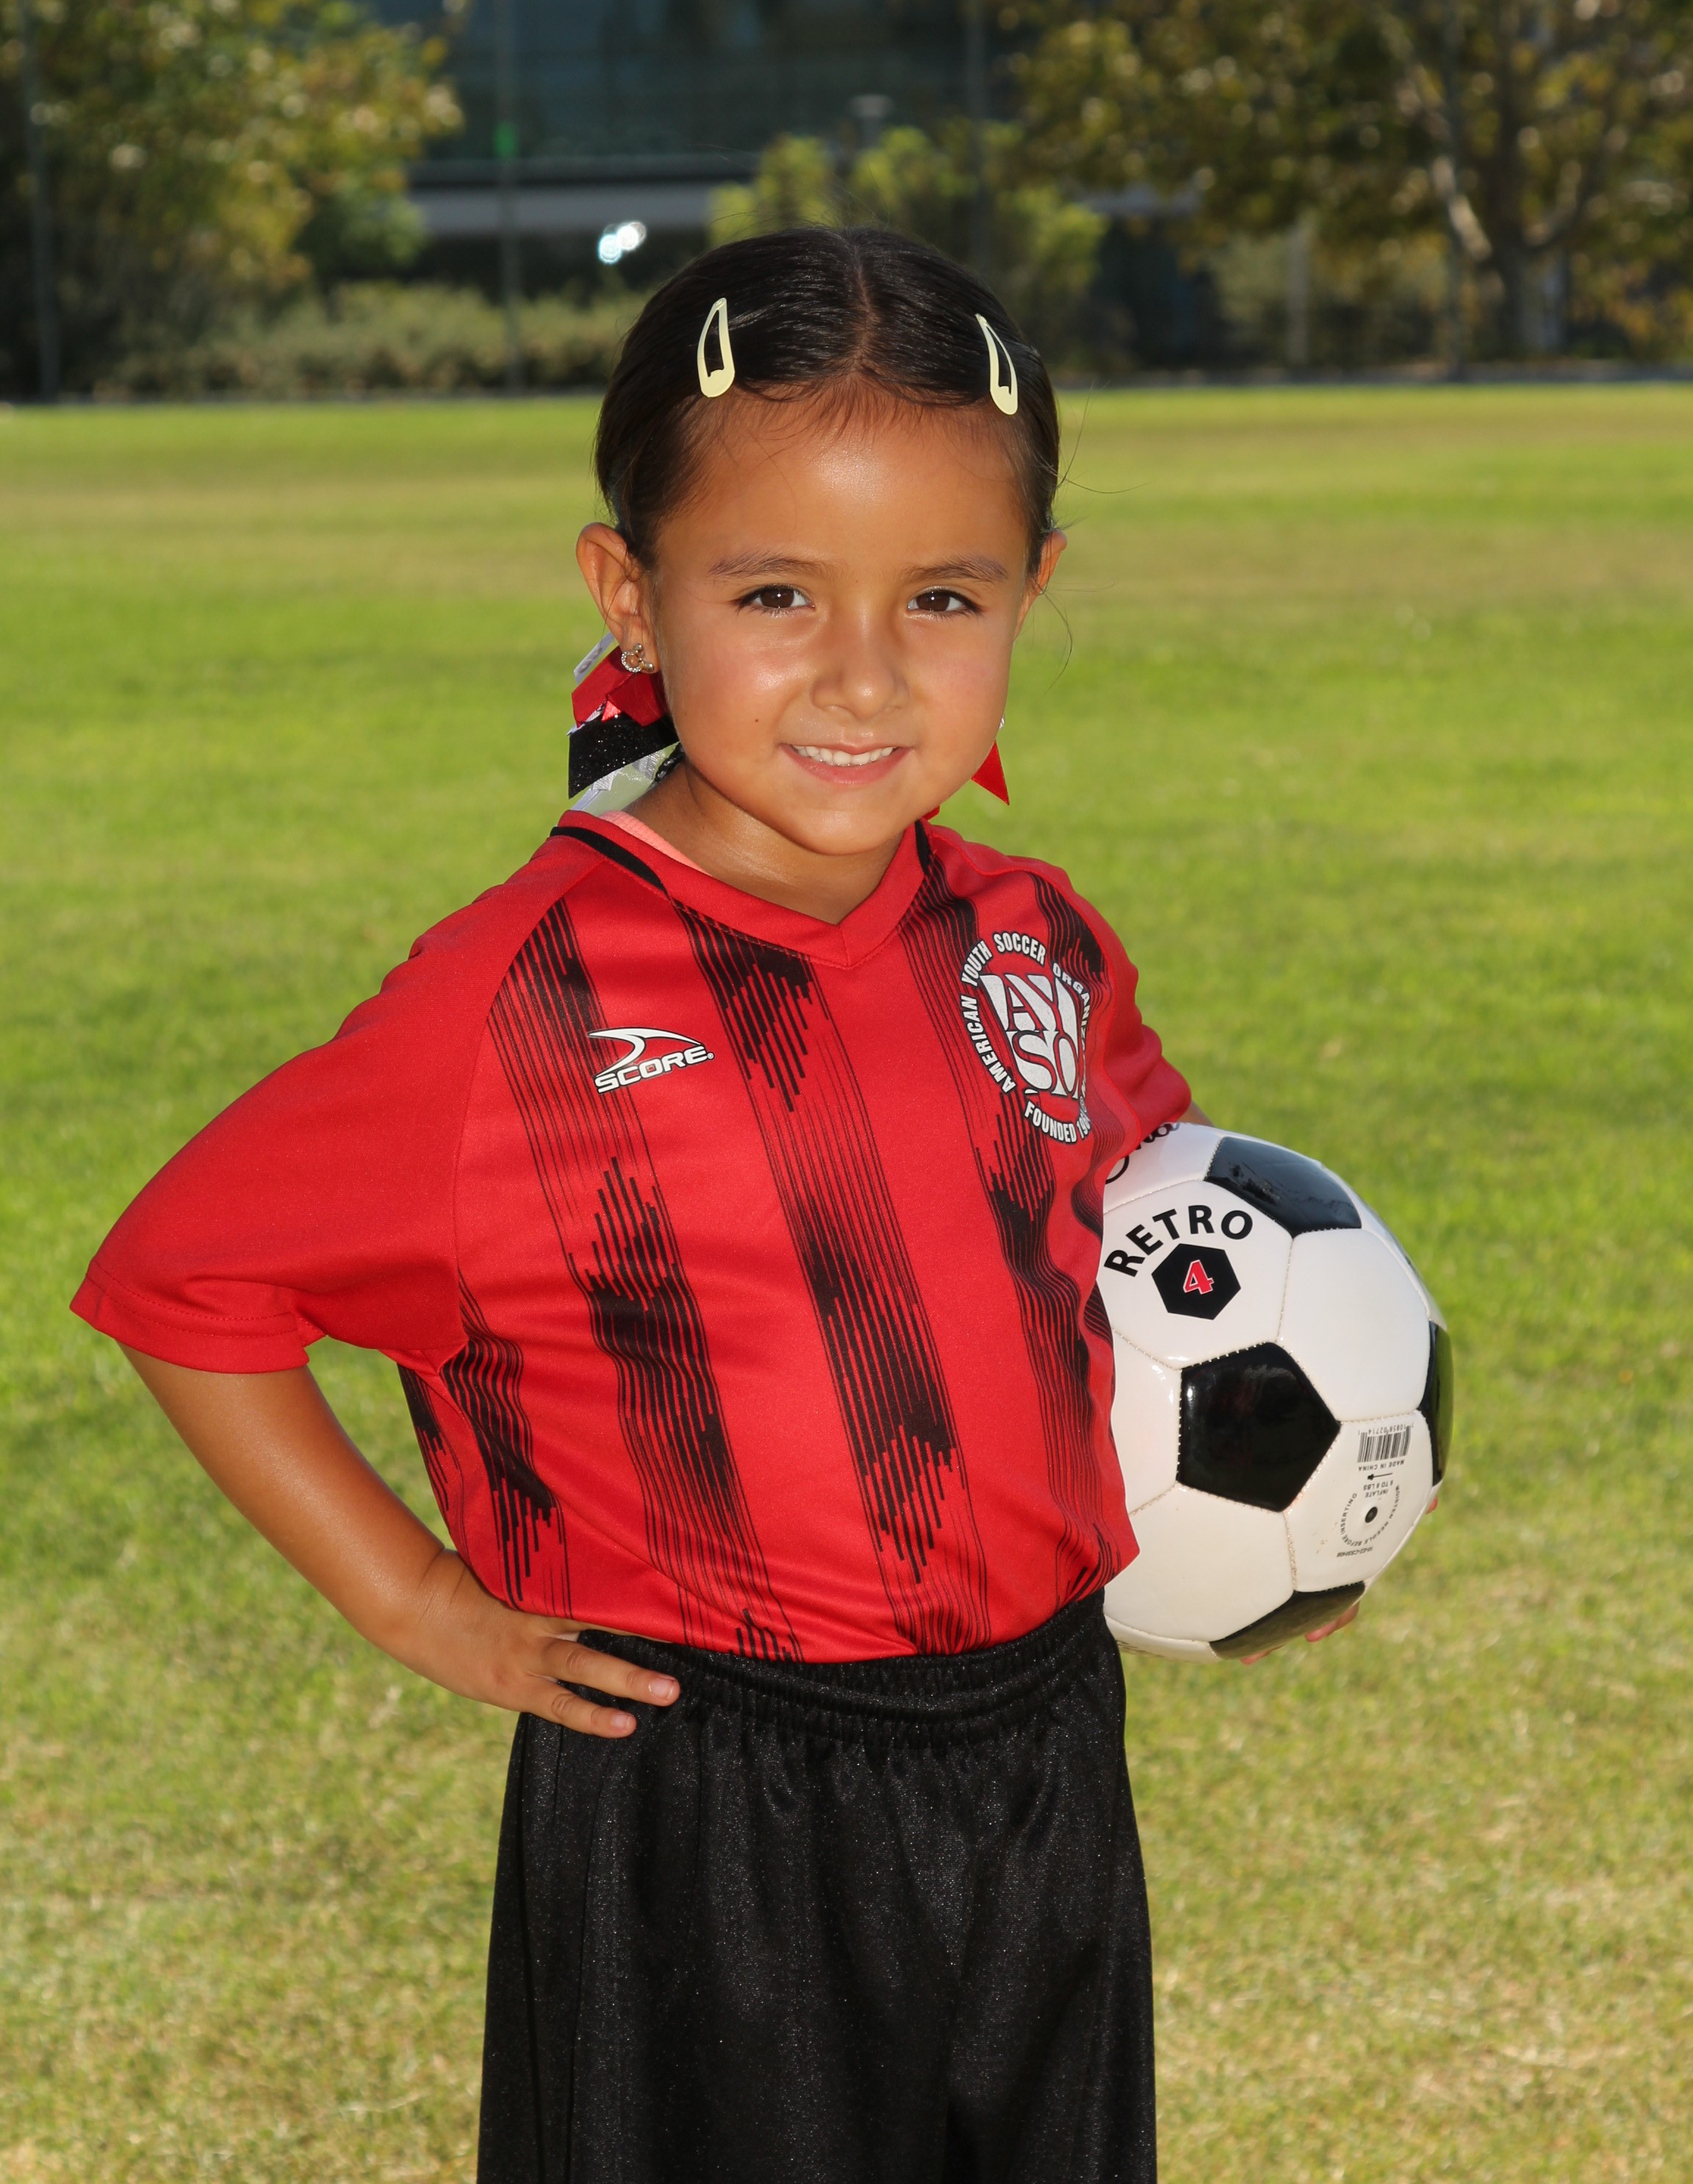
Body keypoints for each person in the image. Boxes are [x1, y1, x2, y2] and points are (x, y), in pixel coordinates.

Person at [72, 227, 1347, 2184]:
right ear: (632, 596)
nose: (863, 672)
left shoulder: (1033, 942)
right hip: (709, 1793)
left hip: (1043, 1754)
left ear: (1033, 591)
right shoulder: (519, 1003)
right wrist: (415, 1600)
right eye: (774, 593)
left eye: (943, 596)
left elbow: (1138, 1243)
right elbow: (183, 1283)